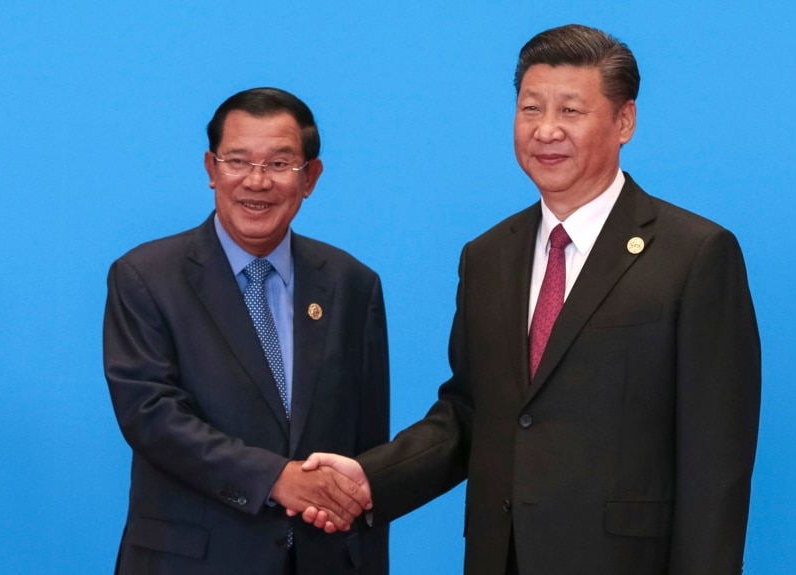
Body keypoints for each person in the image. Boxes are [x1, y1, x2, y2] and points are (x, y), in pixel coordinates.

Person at [301, 24, 761, 574]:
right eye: (530, 109)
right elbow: (470, 413)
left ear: (624, 122)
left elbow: (715, 459)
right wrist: (371, 478)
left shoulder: (694, 254)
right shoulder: (488, 255)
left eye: (570, 111)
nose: (545, 131)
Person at [103, 87, 389, 575]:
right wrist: (276, 478)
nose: (257, 182)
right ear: (212, 170)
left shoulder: (351, 284)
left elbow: (366, 446)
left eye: (280, 164)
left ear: (310, 178)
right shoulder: (145, 277)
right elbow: (151, 416)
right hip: (190, 561)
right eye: (238, 161)